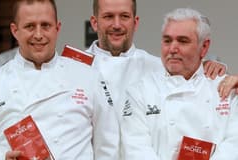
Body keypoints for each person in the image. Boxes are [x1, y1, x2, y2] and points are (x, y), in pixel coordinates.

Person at [0, 0, 119, 159]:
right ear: (15, 30)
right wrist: (0, 157)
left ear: (57, 28)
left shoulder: (88, 76)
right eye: (30, 26)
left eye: (45, 25)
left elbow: (108, 145)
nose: (38, 35)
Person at [121, 8, 238, 160]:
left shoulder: (225, 87)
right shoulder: (140, 91)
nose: (173, 49)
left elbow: (234, 144)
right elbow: (136, 149)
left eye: (183, 41)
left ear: (204, 47)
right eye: (167, 40)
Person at [86, 0, 226, 119]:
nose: (116, 25)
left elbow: (195, 78)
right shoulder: (73, 66)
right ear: (94, 23)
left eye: (124, 16)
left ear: (135, 23)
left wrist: (208, 66)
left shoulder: (159, 66)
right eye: (108, 16)